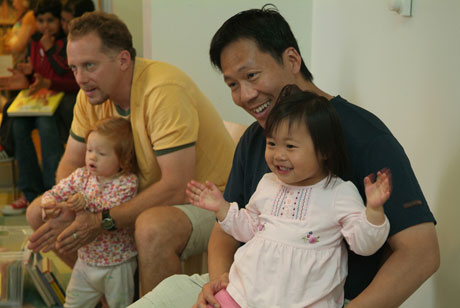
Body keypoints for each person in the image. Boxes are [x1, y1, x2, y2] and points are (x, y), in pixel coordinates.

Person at [130, 5, 439, 308]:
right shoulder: (254, 138)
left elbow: (421, 252)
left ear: (291, 60)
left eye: (252, 75)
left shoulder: (364, 136)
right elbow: (225, 230)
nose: (245, 95)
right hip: (241, 290)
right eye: (233, 85)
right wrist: (221, 286)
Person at [25, 11, 235, 297]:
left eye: (89, 65)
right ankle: (104, 293)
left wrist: (101, 220)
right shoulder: (90, 95)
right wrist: (68, 207)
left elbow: (177, 186)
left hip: (209, 198)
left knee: (152, 227)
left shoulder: (163, 89)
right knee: (40, 211)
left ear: (123, 60)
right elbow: (71, 164)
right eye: (74, 68)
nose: (80, 79)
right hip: (131, 195)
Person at [186, 85, 392, 307]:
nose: (278, 155)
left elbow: (364, 244)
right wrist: (222, 207)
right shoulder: (268, 183)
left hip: (304, 301)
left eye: (291, 146)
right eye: (272, 143)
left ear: (324, 151)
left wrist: (373, 210)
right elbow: (249, 228)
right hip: (244, 292)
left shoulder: (338, 192)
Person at [41, 117, 138, 308]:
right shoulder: (82, 175)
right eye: (89, 150)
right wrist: (49, 203)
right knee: (72, 303)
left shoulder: (128, 182)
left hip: (118, 264)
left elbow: (111, 208)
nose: (92, 157)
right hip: (85, 262)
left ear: (123, 160)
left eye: (101, 153)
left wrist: (85, 200)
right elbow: (58, 190)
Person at [0, 0, 79, 216]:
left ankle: (52, 190)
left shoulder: (64, 42)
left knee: (46, 126)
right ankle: (29, 192)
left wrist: (50, 50)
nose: (46, 26)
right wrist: (28, 71)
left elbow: (63, 74)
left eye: (51, 21)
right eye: (41, 21)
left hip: (59, 103)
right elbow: (39, 72)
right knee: (18, 124)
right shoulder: (34, 41)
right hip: (38, 100)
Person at [3, 0, 37, 65]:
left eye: (15, 0)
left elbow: (19, 46)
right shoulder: (23, 16)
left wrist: (9, 44)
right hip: (18, 61)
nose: (13, 4)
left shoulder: (30, 16)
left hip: (23, 63)